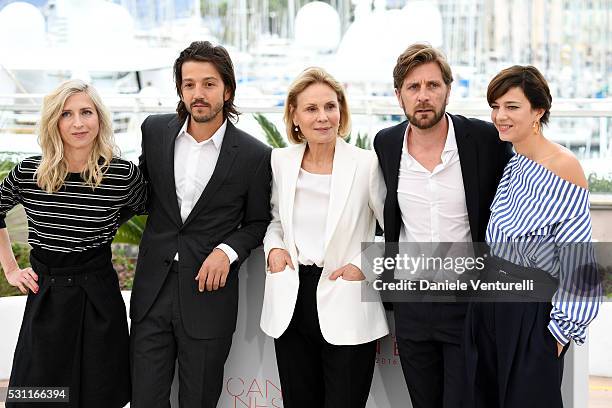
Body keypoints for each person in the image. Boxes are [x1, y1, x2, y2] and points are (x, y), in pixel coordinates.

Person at [129, 41, 271, 407]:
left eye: (208, 84)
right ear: (180, 89)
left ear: (228, 89)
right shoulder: (155, 131)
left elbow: (258, 222)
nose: (198, 93)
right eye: (189, 84)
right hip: (151, 292)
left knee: (199, 400)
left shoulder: (255, 156)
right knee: (145, 399)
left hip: (208, 297)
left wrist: (227, 251)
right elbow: (140, 191)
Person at [373, 43, 513, 408]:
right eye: (413, 87)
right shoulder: (386, 144)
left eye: (433, 85)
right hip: (412, 304)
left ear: (448, 90)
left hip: (468, 301)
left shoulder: (484, 140)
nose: (423, 96)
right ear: (398, 95)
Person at [0, 79, 146, 407]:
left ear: (100, 119)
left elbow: (149, 211)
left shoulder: (122, 175)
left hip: (99, 295)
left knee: (99, 394)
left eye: (86, 112)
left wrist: (107, 222)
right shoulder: (29, 173)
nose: (78, 122)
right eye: (67, 114)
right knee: (37, 397)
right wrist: (11, 269)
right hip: (47, 295)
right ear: (54, 122)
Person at [463, 65, 601, 408]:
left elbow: (580, 262)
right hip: (491, 306)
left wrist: (556, 335)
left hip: (531, 315)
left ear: (538, 111)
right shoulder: (515, 161)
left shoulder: (563, 166)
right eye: (495, 106)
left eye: (512, 106)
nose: (499, 116)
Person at [260, 67, 388, 408]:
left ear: (341, 111)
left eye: (330, 107)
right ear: (294, 115)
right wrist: (273, 249)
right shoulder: (280, 162)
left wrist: (362, 266)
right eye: (312, 109)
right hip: (292, 298)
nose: (323, 117)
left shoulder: (367, 165)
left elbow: (393, 230)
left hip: (345, 298)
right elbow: (275, 221)